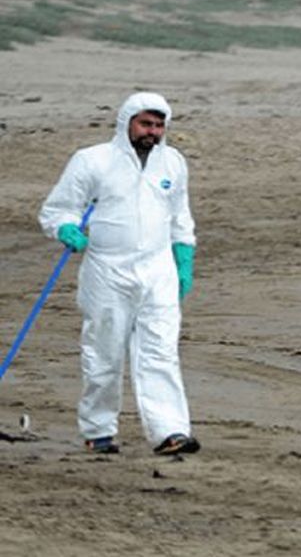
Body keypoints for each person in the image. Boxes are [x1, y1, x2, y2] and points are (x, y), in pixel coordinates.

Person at [38, 92, 199, 456]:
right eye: (145, 123)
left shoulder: (172, 163)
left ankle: (170, 431)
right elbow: (57, 209)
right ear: (126, 121)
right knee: (104, 351)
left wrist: (183, 259)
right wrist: (66, 229)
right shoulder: (92, 160)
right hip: (107, 269)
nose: (152, 132)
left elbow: (180, 218)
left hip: (158, 270)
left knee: (161, 351)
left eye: (159, 125)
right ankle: (99, 429)